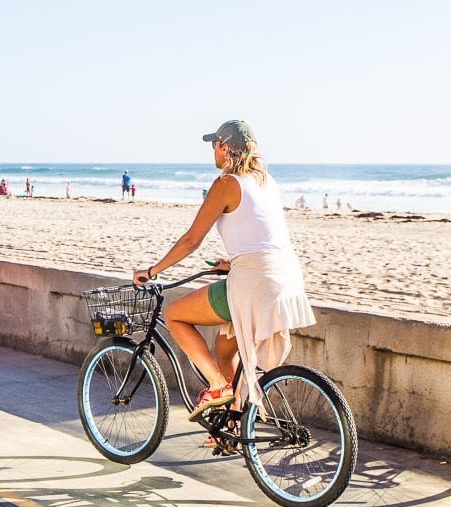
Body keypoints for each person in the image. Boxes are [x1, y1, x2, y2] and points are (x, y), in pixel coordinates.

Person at [133, 120, 315, 426]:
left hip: (254, 283)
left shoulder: (226, 184)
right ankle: (234, 423)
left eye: (214, 145)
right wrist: (231, 263)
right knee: (225, 345)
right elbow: (263, 234)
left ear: (225, 147)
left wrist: (152, 271)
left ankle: (217, 386)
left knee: (176, 314)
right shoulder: (265, 181)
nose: (212, 151)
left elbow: (192, 239)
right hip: (286, 277)